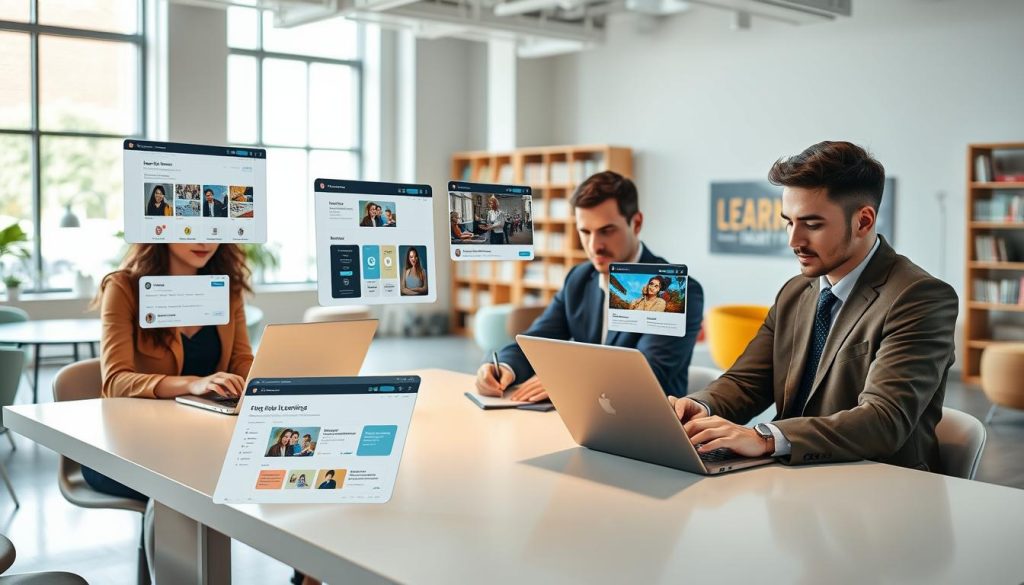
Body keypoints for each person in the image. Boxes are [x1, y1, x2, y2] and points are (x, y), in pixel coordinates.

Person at [671, 141, 958, 471]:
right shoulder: (795, 293)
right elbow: (746, 382)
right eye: (788, 222)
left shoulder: (920, 297)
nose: (793, 241)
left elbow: (883, 420)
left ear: (864, 221)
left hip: (877, 488)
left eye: (812, 224)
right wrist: (699, 406)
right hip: (790, 481)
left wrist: (765, 438)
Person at [89, 241, 254, 577]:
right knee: (192, 485)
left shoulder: (225, 285)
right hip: (130, 448)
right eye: (190, 228)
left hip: (203, 442)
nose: (204, 240)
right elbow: (116, 380)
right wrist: (192, 383)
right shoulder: (124, 287)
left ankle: (307, 574)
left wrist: (274, 375)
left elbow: (240, 362)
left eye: (213, 229)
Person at [476, 171, 704, 402]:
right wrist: (503, 367)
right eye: (585, 232)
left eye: (606, 231)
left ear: (636, 223)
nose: (595, 246)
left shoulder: (678, 290)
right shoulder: (579, 278)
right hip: (584, 418)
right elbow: (536, 341)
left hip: (650, 426)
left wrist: (566, 381)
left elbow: (649, 374)